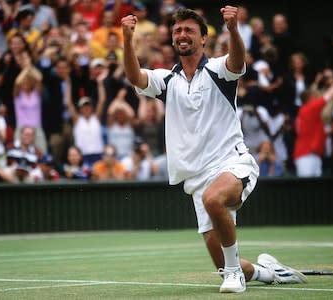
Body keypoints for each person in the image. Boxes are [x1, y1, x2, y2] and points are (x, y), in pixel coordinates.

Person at [122, 7, 308, 293]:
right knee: (222, 263)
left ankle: (234, 274)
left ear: (204, 39)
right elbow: (135, 77)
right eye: (177, 31)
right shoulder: (166, 81)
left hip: (232, 163)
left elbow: (237, 60)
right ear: (173, 38)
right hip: (195, 179)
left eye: (189, 30)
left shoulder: (219, 70)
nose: (182, 35)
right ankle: (268, 272)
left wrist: (233, 29)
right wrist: (126, 38)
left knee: (214, 200)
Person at [293, 70, 333, 177]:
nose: (316, 98)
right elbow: (330, 95)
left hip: (313, 155)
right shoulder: (309, 108)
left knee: (315, 191)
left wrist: (330, 130)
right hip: (306, 156)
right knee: (307, 190)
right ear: (309, 98)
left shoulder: (308, 113)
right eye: (314, 96)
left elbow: (315, 132)